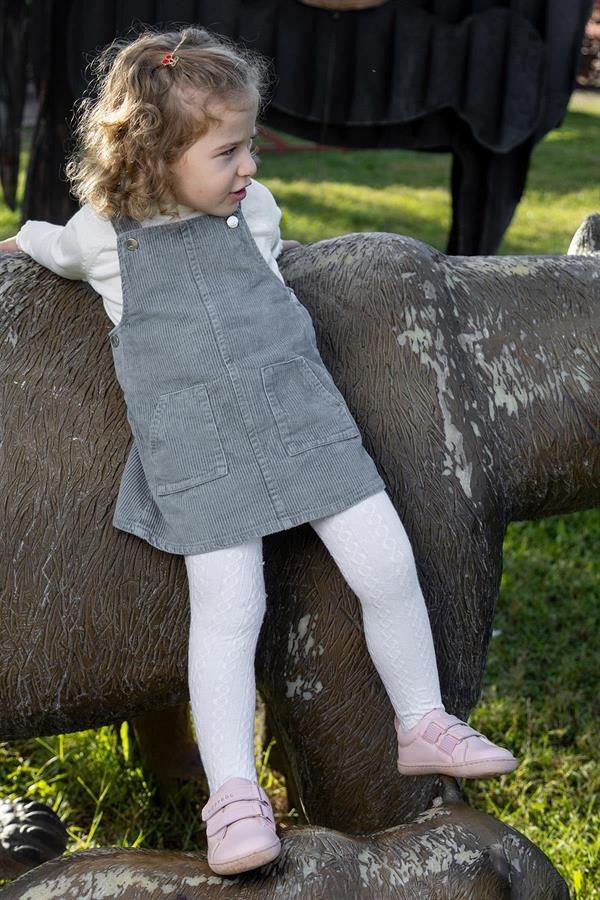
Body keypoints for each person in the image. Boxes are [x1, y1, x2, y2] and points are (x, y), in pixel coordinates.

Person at [0, 25, 517, 877]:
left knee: (387, 562)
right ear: (154, 157)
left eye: (250, 147)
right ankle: (234, 797)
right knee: (231, 612)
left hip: (301, 419)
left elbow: (266, 285)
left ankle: (422, 719)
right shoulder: (103, 236)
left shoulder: (257, 211)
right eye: (228, 152)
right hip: (199, 451)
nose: (249, 167)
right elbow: (46, 244)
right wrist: (20, 243)